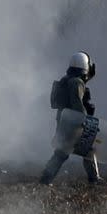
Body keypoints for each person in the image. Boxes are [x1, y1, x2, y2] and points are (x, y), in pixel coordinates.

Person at [39, 51, 99, 185]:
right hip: (75, 123)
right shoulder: (77, 82)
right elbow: (77, 102)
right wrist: (85, 121)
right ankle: (93, 179)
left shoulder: (68, 80)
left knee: (72, 151)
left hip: (65, 121)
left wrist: (89, 77)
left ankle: (46, 179)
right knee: (80, 150)